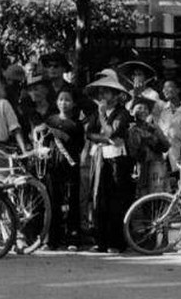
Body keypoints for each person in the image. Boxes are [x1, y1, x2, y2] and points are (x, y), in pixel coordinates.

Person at [84, 70, 135, 253]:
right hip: (100, 158)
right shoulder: (96, 113)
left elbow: (114, 132)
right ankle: (100, 241)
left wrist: (103, 116)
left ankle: (116, 242)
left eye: (106, 92)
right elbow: (90, 133)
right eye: (101, 92)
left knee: (116, 200)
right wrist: (106, 138)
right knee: (99, 199)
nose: (102, 96)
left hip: (117, 160)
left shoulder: (122, 113)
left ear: (115, 95)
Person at [41, 89, 85, 250]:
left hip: (70, 165)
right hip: (53, 165)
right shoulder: (50, 120)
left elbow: (79, 145)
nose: (63, 103)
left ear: (73, 104)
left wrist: (64, 136)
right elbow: (44, 141)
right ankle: (52, 239)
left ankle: (72, 238)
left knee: (72, 200)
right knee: (53, 200)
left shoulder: (77, 124)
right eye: (60, 99)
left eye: (67, 100)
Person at [128, 98, 171, 197]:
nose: (143, 111)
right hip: (141, 167)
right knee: (144, 196)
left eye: (146, 108)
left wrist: (153, 135)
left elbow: (166, 146)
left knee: (157, 195)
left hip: (157, 164)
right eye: (139, 108)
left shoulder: (153, 127)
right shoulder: (131, 129)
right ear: (132, 111)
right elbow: (134, 151)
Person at [157, 79, 181, 170]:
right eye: (163, 88)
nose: (164, 90)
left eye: (168, 87)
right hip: (159, 156)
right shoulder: (160, 109)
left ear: (178, 90)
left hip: (176, 157)